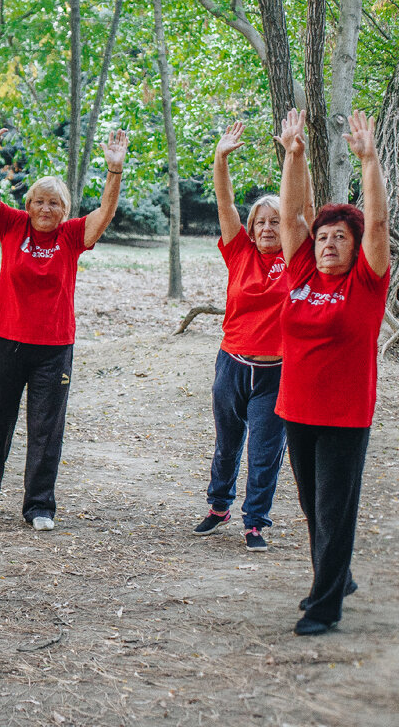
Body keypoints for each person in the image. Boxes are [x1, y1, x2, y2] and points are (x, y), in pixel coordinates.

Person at [0, 112, 128, 531]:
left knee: (46, 428)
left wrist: (115, 169)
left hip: (53, 347)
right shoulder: (12, 225)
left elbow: (105, 213)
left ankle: (39, 506)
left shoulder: (72, 235)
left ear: (64, 210)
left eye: (54, 203)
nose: (45, 208)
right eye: (39, 200)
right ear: (29, 204)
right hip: (6, 340)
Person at [275, 108, 389, 636]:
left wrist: (369, 161)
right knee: (312, 504)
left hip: (345, 416)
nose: (328, 243)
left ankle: (324, 606)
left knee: (335, 509)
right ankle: (337, 576)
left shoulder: (365, 284)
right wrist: (293, 155)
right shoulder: (300, 270)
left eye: (340, 237)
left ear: (354, 244)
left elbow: (379, 224)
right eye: (324, 237)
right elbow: (293, 214)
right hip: (296, 409)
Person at [192, 121, 298, 551]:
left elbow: (297, 210)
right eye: (261, 221)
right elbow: (225, 202)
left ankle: (255, 522)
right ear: (251, 228)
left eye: (276, 221)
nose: (269, 227)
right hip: (232, 364)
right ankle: (219, 506)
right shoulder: (239, 253)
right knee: (227, 443)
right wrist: (220, 159)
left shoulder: (296, 259)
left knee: (265, 454)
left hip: (276, 373)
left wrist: (293, 154)